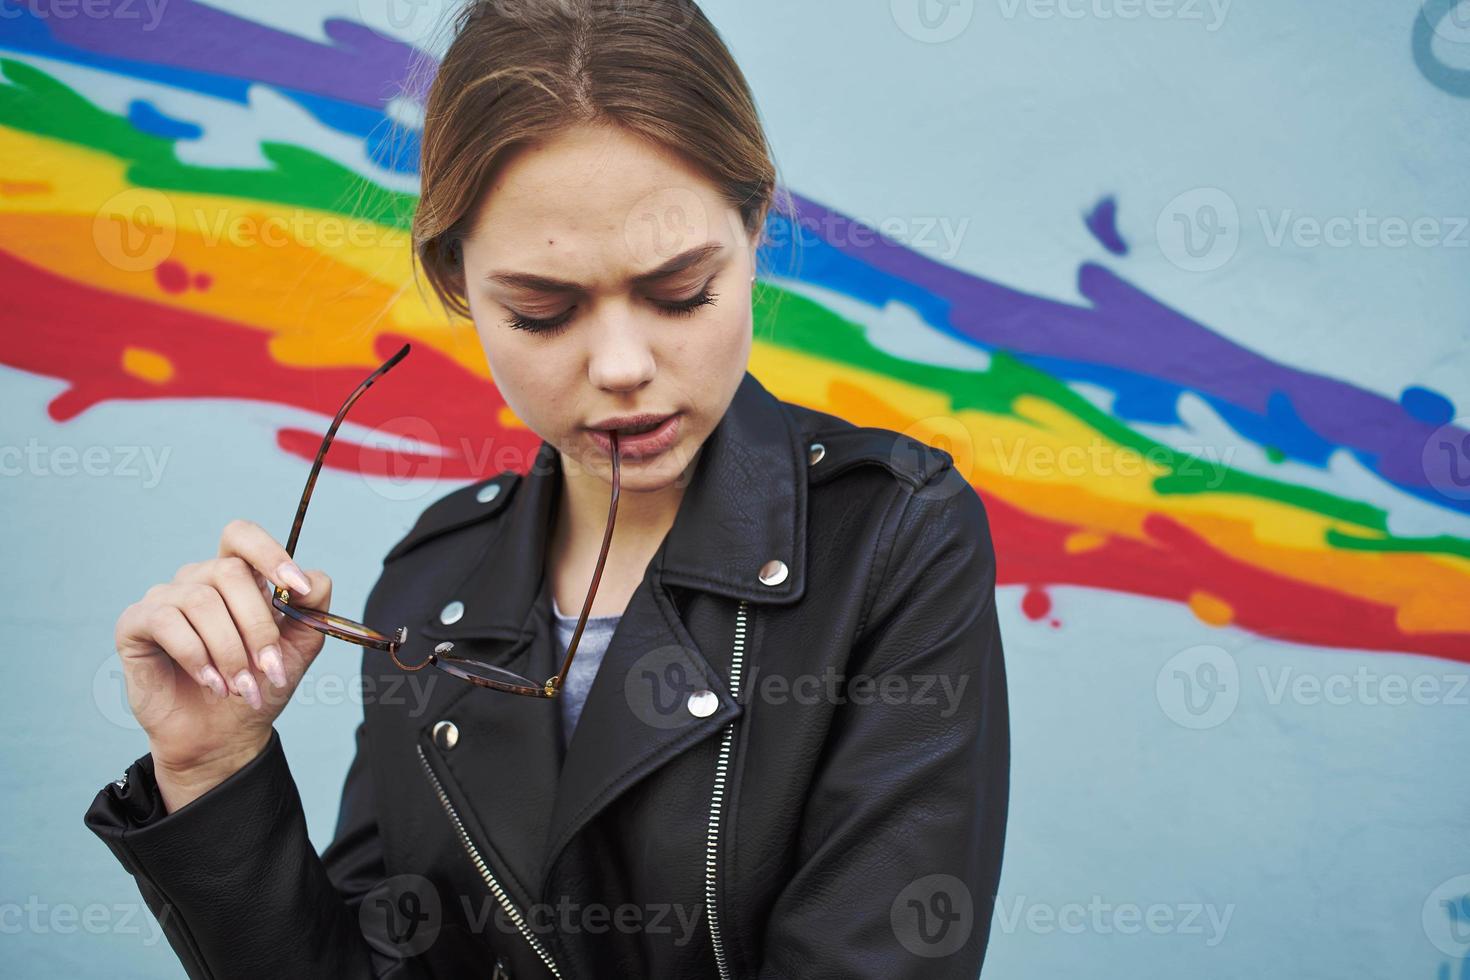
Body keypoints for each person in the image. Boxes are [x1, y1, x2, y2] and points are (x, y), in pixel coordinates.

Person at [85, 1, 1010, 977]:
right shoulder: (430, 585)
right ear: (457, 284)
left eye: (680, 290)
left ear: (754, 226)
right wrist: (212, 765)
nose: (621, 364)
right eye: (542, 310)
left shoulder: (893, 535)